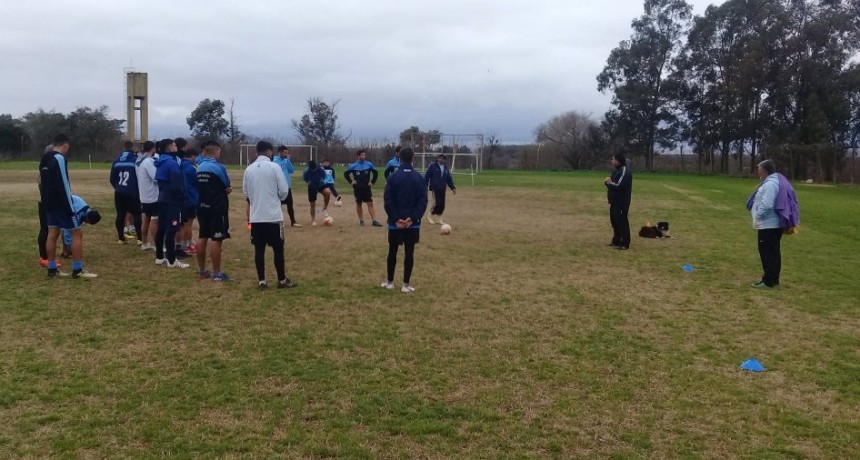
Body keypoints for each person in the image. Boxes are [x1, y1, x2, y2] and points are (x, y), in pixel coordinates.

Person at [243, 140, 298, 288]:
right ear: (269, 152)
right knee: (278, 249)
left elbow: (246, 192)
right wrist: (276, 199)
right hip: (273, 217)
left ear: (256, 152)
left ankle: (262, 281)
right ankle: (281, 280)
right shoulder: (275, 167)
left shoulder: (249, 169)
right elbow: (284, 190)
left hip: (256, 217)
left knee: (259, 250)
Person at [39, 134, 92, 278]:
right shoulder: (59, 158)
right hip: (62, 204)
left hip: (48, 202)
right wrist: (70, 207)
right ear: (65, 145)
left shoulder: (45, 158)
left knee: (52, 234)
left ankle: (52, 269)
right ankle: (77, 269)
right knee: (77, 233)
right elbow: (63, 183)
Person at [382, 148, 428, 293]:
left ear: (399, 158)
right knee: (409, 253)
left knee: (392, 251)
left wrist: (395, 219)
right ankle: (405, 285)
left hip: (395, 223)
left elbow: (388, 200)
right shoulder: (419, 178)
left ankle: (390, 282)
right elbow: (423, 201)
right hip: (412, 224)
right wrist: (413, 218)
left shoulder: (392, 177)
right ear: (413, 158)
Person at [748, 159, 790, 288]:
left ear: (764, 170)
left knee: (768, 254)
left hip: (768, 225)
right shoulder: (771, 182)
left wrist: (757, 215)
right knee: (773, 252)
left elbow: (767, 204)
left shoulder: (770, 184)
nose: (757, 171)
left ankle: (768, 281)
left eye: (759, 169)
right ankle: (773, 279)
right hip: (771, 225)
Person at [196, 141, 233, 282]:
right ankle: (217, 274)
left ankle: (202, 271)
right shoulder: (219, 167)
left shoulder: (199, 167)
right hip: (217, 208)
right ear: (216, 151)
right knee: (216, 239)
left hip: (202, 206)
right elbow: (227, 187)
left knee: (202, 237)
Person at [154, 138, 189, 268]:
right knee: (171, 230)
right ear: (170, 148)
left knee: (161, 228)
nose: (176, 147)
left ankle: (159, 257)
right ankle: (172, 260)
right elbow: (176, 184)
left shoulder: (160, 161)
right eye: (175, 145)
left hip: (161, 198)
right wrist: (182, 197)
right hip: (171, 200)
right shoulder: (172, 163)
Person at [57, 195, 102, 278]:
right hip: (61, 205)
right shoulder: (79, 214)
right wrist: (70, 248)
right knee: (71, 233)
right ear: (87, 218)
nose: (86, 223)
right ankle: (67, 252)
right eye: (87, 222)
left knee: (77, 233)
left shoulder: (87, 212)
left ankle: (66, 252)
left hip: (67, 202)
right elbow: (66, 232)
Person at [110, 140, 142, 244]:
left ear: (123, 148)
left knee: (120, 215)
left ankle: (121, 238)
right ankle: (140, 239)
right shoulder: (136, 160)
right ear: (133, 148)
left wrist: (118, 187)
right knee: (137, 214)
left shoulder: (116, 161)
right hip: (133, 192)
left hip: (119, 192)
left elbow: (112, 178)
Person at [343, 149, 382, 226]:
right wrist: (351, 182)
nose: (364, 156)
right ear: (358, 156)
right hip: (357, 188)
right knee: (358, 203)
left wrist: (372, 182)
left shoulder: (369, 164)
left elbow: (376, 173)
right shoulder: (353, 166)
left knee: (370, 203)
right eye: (362, 155)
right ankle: (361, 221)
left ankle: (374, 220)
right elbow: (346, 174)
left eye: (364, 155)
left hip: (366, 187)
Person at [38, 143, 61, 268]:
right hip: (46, 202)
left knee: (48, 229)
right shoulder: (45, 169)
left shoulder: (45, 167)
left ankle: (45, 256)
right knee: (46, 229)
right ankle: (44, 257)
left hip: (46, 201)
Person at [604, 152, 633, 250]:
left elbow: (619, 185)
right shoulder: (617, 171)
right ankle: (616, 240)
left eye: (613, 159)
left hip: (622, 202)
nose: (612, 161)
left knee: (622, 221)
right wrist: (607, 182)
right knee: (614, 221)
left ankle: (625, 243)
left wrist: (609, 182)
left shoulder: (625, 171)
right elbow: (613, 183)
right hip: (614, 201)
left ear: (618, 161)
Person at [135, 140, 159, 250]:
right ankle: (156, 244)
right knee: (155, 219)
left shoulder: (138, 160)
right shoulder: (149, 161)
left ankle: (144, 243)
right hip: (152, 195)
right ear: (152, 149)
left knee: (146, 219)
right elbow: (155, 177)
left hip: (143, 195)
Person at [272, 145, 301, 227]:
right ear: (280, 152)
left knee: (290, 204)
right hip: (277, 187)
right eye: (285, 153)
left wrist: (289, 162)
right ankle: (279, 222)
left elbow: (291, 171)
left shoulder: (286, 161)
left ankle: (293, 221)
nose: (286, 154)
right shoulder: (274, 161)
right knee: (278, 205)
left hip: (287, 186)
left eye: (287, 153)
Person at [178, 146, 199, 256]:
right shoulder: (192, 168)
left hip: (181, 197)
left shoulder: (179, 164)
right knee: (188, 224)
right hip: (191, 198)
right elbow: (197, 182)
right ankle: (186, 245)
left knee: (182, 224)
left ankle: (185, 243)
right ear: (193, 156)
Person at [424, 154, 457, 225]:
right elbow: (427, 176)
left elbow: (449, 179)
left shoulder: (446, 168)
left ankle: (439, 218)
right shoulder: (432, 166)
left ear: (445, 160)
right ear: (437, 159)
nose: (441, 159)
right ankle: (429, 215)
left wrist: (452, 187)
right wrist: (424, 185)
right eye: (440, 158)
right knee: (437, 202)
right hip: (435, 187)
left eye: (443, 158)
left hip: (442, 188)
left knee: (442, 204)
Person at [303, 160, 330, 226]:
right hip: (312, 187)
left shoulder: (321, 169)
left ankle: (324, 208)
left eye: (315, 169)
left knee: (327, 192)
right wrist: (310, 183)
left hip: (320, 185)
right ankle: (313, 220)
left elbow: (324, 176)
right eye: (312, 169)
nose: (314, 170)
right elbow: (305, 179)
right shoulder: (306, 172)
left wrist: (320, 181)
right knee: (312, 204)